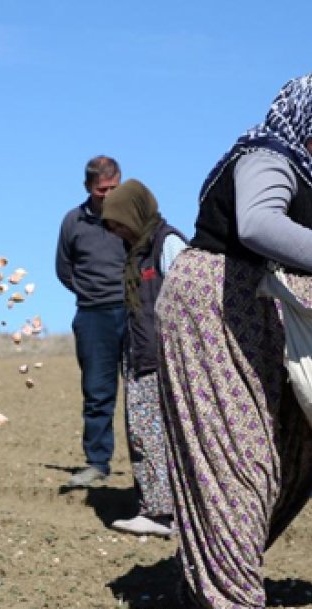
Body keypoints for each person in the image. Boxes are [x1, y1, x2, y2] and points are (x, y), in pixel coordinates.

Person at [156, 69, 312, 609]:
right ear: (304, 115)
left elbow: (296, 252)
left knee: (301, 445)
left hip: (268, 309)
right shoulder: (265, 154)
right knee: (237, 454)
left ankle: (209, 579)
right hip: (211, 304)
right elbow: (259, 224)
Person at [98, 180, 186, 538]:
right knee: (142, 435)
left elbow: (187, 299)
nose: (116, 231)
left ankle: (164, 514)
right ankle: (156, 508)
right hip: (139, 356)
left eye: (119, 222)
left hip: (164, 360)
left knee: (159, 436)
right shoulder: (136, 251)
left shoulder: (168, 244)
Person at [55, 156, 126, 488]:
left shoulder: (134, 217)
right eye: (102, 191)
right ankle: (97, 462)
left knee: (144, 393)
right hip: (93, 316)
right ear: (88, 188)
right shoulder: (73, 222)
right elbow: (63, 268)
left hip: (134, 314)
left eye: (114, 188)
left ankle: (151, 467)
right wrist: (89, 292)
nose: (109, 195)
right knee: (98, 392)